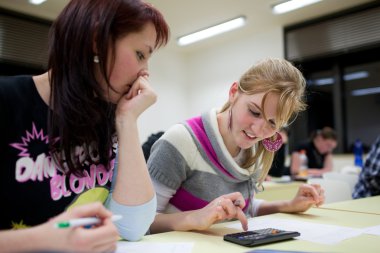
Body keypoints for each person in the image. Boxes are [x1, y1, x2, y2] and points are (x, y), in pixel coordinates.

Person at [0, 0, 169, 252]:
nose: (145, 74)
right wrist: (43, 240)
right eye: (140, 54)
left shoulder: (108, 118)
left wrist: (127, 121)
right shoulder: (7, 100)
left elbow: (132, 228)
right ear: (96, 40)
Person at [147, 58, 325, 233]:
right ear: (233, 93)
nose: (258, 130)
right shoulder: (181, 141)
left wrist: (289, 205)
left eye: (272, 123)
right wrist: (195, 218)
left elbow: (245, 208)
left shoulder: (254, 147)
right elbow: (144, 222)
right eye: (254, 112)